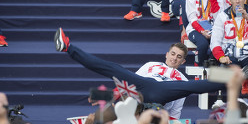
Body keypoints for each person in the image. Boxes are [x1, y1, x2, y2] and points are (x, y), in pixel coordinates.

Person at [54, 28, 226, 105]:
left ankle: (231, 78)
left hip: (161, 92)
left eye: (179, 57)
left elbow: (175, 109)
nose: (174, 58)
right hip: (143, 84)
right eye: (172, 54)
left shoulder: (181, 79)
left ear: (183, 62)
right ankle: (67, 47)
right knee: (112, 68)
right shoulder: (150, 65)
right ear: (166, 54)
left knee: (193, 86)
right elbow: (132, 87)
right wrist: (112, 94)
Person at [186, 0, 221, 66]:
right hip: (195, 29)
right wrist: (202, 31)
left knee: (218, 44)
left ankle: (212, 68)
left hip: (214, 28)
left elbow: (218, 17)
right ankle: (198, 68)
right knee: (203, 44)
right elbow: (192, 19)